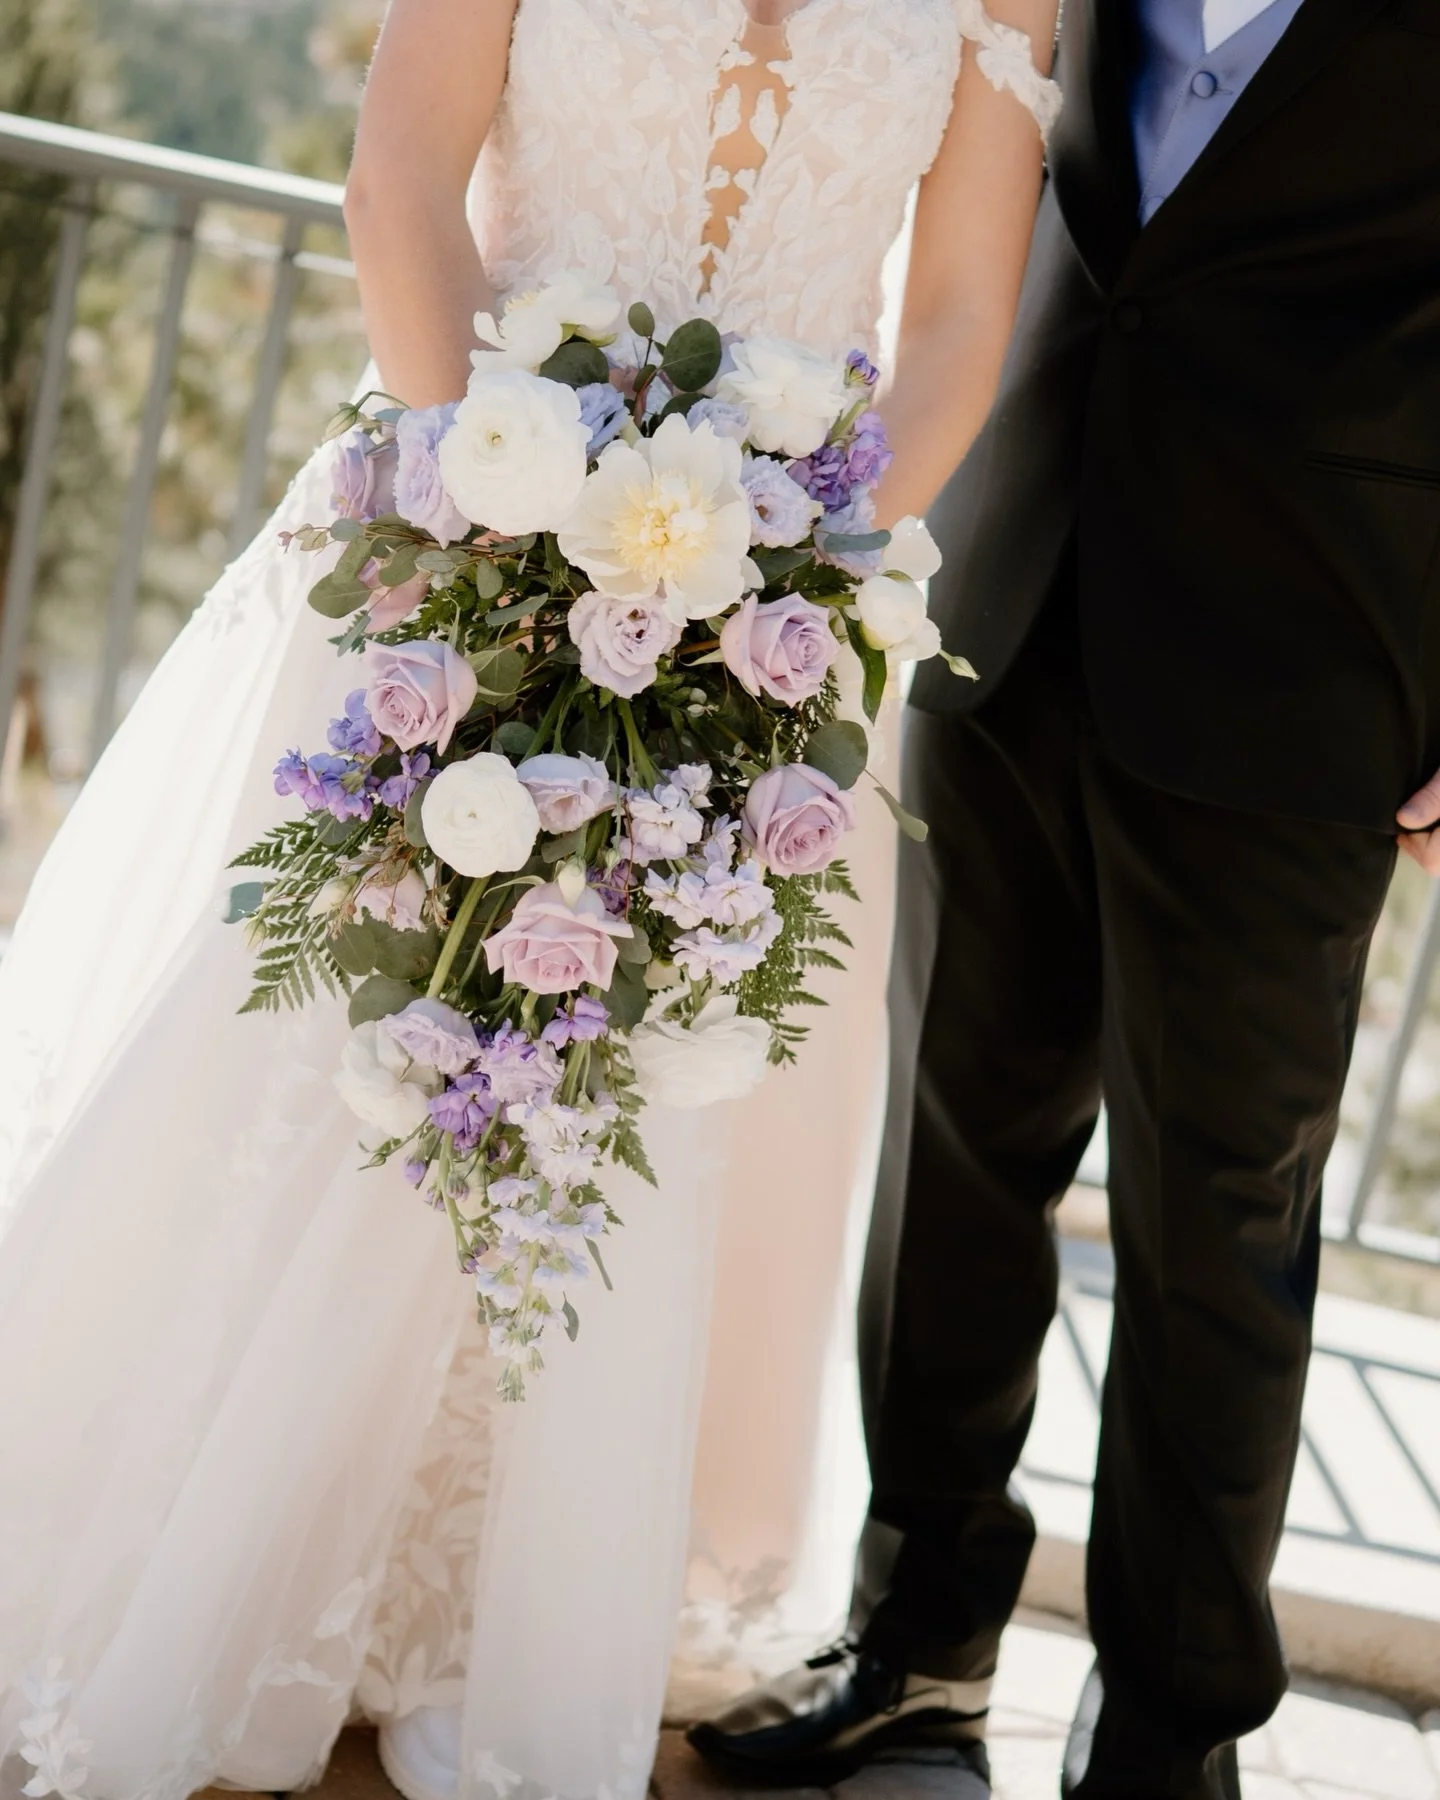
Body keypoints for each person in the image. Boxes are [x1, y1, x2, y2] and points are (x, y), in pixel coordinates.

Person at [0, 5, 1061, 1800]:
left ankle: (480, 1618)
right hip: (447, 533)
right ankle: (207, 1567)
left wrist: (806, 570)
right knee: (335, 1068)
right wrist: (484, 516)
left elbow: (961, 310)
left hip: (765, 626)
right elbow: (397, 175)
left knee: (629, 1112)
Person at [687, 0, 1440, 1794]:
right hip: (1011, 597)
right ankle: (916, 1647)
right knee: (953, 1160)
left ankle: (1173, 1737)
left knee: (1220, 1222)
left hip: (1305, 666)